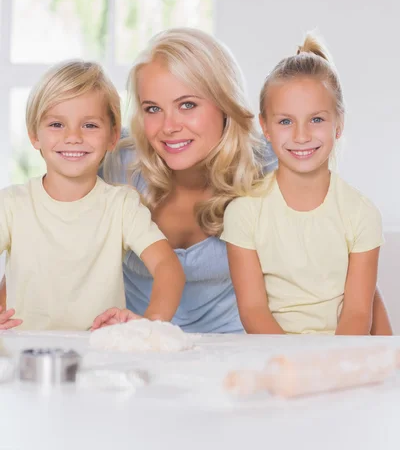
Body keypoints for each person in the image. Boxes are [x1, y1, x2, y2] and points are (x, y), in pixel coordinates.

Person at [89, 28, 391, 335]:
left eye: (187, 105)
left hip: (239, 354)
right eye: (153, 109)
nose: (169, 126)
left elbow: (346, 264)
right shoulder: (116, 160)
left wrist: (385, 359)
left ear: (224, 103)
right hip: (140, 349)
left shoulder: (270, 162)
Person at [221, 34, 390, 335]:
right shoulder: (244, 213)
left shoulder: (361, 214)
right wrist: (293, 370)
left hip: (341, 356)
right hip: (273, 358)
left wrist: (325, 370)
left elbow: (357, 314)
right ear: (266, 127)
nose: (301, 136)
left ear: (339, 123)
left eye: (316, 120)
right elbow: (253, 312)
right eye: (286, 121)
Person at [0, 60, 184, 331]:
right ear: (34, 135)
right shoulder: (11, 204)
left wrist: (148, 325)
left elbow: (169, 270)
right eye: (56, 124)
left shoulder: (121, 205)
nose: (73, 136)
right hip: (23, 353)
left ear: (112, 136)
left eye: (89, 125)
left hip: (100, 350)